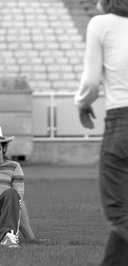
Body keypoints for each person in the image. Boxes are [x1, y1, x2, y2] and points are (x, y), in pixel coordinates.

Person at [74, 0, 128, 264]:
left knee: (119, 213)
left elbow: (91, 82)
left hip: (123, 123)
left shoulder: (101, 24)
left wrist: (82, 103)